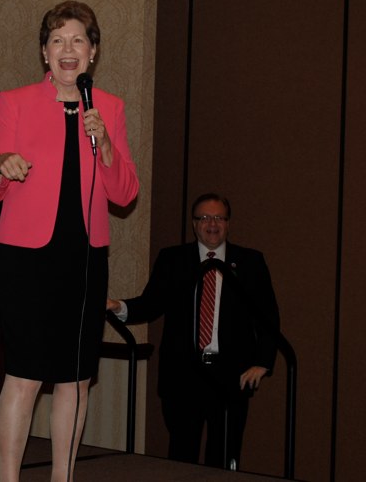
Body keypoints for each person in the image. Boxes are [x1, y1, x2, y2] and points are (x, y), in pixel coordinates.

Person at [0, 0, 139, 482]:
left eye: (78, 40)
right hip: (26, 258)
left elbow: (125, 193)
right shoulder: (14, 102)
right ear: (45, 53)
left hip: (84, 257)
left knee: (76, 378)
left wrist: (105, 144)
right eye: (57, 40)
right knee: (24, 375)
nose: (68, 49)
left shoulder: (110, 107)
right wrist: (1, 165)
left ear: (93, 52)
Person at [107, 192, 279, 469]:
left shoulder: (250, 262)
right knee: (181, 456)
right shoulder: (173, 259)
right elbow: (151, 304)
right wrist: (119, 306)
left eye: (219, 218)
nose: (212, 224)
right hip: (183, 375)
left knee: (224, 457)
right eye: (205, 218)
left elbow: (268, 316)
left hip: (231, 376)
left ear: (228, 223)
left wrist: (263, 362)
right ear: (194, 224)